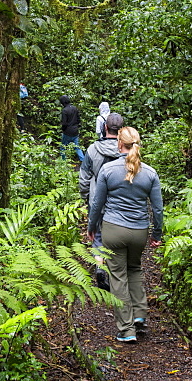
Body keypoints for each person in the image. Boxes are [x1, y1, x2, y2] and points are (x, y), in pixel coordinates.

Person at [87, 126, 163, 343]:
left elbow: (97, 204)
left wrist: (92, 227)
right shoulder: (150, 173)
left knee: (118, 276)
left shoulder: (108, 170)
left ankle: (126, 330)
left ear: (119, 144)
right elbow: (157, 209)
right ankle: (140, 315)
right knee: (135, 268)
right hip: (139, 231)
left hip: (113, 230)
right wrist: (157, 233)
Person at [79, 111, 124, 289]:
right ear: (121, 130)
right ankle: (116, 272)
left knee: (97, 236)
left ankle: (100, 267)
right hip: (119, 201)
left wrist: (86, 197)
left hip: (97, 199)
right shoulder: (127, 151)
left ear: (105, 127)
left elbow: (84, 177)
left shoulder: (92, 149)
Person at [59, 94, 84, 162]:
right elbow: (78, 119)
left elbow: (64, 123)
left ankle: (63, 160)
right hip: (75, 131)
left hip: (67, 132)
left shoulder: (65, 110)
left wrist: (63, 130)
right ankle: (83, 160)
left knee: (63, 147)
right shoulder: (74, 108)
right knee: (77, 147)